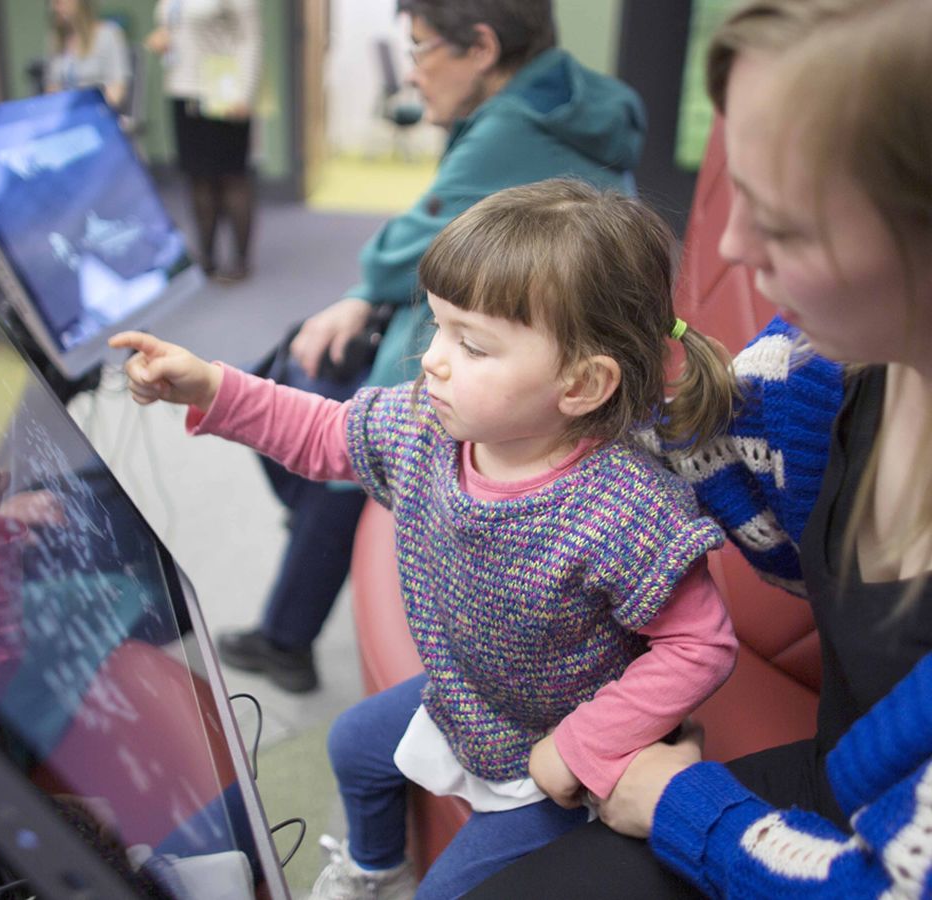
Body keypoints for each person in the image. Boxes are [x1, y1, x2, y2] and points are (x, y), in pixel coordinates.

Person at [110, 178, 743, 897]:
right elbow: (325, 431)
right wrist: (211, 388)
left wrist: (581, 747)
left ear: (580, 384)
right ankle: (376, 869)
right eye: (440, 326)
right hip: (472, 695)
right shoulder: (425, 425)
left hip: (553, 752)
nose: (434, 358)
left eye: (472, 345)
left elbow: (702, 644)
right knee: (353, 744)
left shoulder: (624, 507)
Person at [467, 0, 932, 896]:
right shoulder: (827, 367)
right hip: (849, 786)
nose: (727, 246)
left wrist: (689, 806)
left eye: (785, 226)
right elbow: (694, 411)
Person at [216, 0, 647, 694]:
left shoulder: (511, 126)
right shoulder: (572, 100)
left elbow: (409, 249)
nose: (412, 75)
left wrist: (367, 288)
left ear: (479, 47)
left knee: (336, 402)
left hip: (534, 352)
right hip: (556, 325)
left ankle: (285, 631)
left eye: (419, 50)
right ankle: (292, 606)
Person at [144, 0, 262, 283]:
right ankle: (206, 259)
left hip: (224, 90)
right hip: (182, 91)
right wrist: (163, 39)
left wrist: (244, 92)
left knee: (231, 176)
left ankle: (240, 262)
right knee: (197, 176)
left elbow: (250, 37)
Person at [45, 0, 131, 111]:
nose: (54, 7)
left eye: (59, 2)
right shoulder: (56, 40)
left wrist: (90, 112)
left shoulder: (109, 34)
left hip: (99, 113)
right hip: (66, 116)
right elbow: (52, 89)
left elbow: (117, 89)